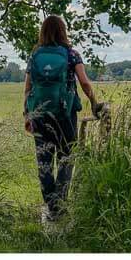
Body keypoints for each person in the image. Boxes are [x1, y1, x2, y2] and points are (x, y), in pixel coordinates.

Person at [23, 15, 103, 223]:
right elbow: (84, 83)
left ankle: (52, 207)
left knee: (44, 161)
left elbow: (28, 88)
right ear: (63, 31)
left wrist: (27, 114)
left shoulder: (35, 55)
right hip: (65, 115)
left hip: (39, 115)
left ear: (43, 32)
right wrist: (94, 103)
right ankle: (59, 204)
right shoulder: (71, 54)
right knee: (67, 157)